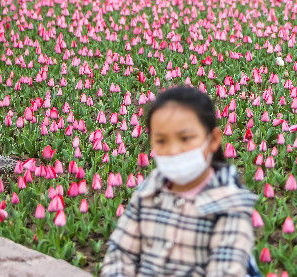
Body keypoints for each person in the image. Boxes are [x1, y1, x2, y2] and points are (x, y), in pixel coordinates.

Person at [101, 86, 261, 277]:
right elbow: (121, 253)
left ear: (213, 139)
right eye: (161, 141)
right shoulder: (148, 192)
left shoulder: (228, 204)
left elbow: (225, 270)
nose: (173, 150)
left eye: (185, 138)